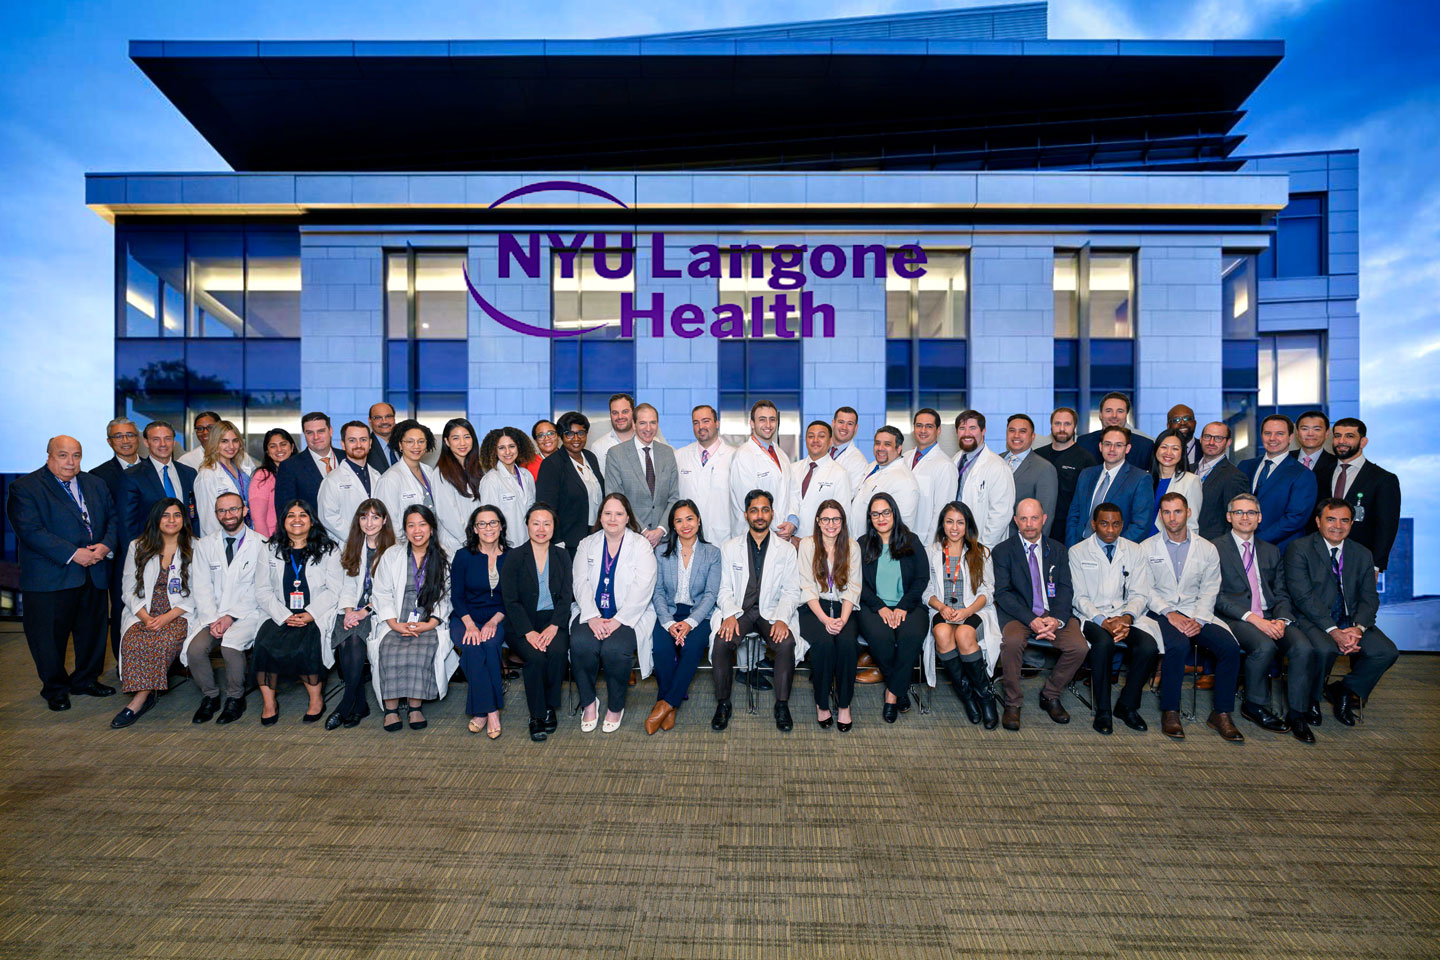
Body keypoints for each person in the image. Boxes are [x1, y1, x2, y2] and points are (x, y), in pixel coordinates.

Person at [7, 436, 118, 710]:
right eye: (63, 455)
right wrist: (73, 553)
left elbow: (113, 519)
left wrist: (105, 545)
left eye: (76, 455)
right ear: (49, 456)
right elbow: (31, 531)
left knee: (92, 632)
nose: (71, 462)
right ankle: (55, 688)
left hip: (94, 570)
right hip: (52, 576)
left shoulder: (95, 483)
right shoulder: (26, 487)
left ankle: (86, 680)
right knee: (49, 638)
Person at [1212, 493, 1320, 742]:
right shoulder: (1215, 548)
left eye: (1250, 512)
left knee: (1303, 648)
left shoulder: (1271, 551)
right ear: (1229, 517)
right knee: (1263, 647)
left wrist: (1281, 619)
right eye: (1238, 512)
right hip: (1236, 617)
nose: (1245, 517)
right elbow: (1215, 596)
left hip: (1272, 615)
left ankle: (1297, 714)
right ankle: (1254, 705)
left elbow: (1281, 592)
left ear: (1259, 518)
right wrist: (1254, 619)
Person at [1284, 498, 1399, 726]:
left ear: (1351, 523)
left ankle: (1345, 690)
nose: (1338, 526)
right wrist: (1334, 630)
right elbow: (1303, 597)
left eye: (1344, 520)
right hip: (1313, 620)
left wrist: (1358, 628)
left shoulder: (1363, 554)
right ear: (1318, 522)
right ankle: (1311, 699)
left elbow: (1369, 598)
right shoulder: (1300, 549)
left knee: (1385, 652)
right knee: (1325, 649)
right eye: (1331, 519)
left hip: (1351, 621)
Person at [1143, 492, 1244, 742]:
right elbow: (1145, 588)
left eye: (1177, 511)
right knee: (1177, 645)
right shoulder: (1147, 547)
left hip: (1198, 612)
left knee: (1230, 648)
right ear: (1160, 515)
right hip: (1162, 612)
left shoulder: (1207, 548)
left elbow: (1211, 588)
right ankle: (1171, 710)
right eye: (1166, 512)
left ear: (1188, 513)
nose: (1172, 518)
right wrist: (1171, 613)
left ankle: (1221, 713)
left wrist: (1198, 619)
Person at [709, 489, 804, 733]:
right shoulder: (730, 547)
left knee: (786, 644)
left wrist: (782, 619)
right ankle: (723, 703)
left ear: (772, 514)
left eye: (764, 510)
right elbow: (724, 588)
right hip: (741, 612)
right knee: (721, 642)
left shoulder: (786, 550)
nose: (759, 515)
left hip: (770, 613)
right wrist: (729, 614)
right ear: (746, 515)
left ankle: (781, 704)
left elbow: (792, 591)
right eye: (754, 510)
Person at [111, 498, 209, 727]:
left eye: (176, 515)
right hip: (143, 612)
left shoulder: (197, 547)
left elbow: (200, 590)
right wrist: (144, 616)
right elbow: (127, 588)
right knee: (133, 641)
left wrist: (166, 617)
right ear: (156, 519)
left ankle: (139, 699)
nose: (171, 520)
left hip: (178, 613)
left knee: (160, 641)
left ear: (184, 520)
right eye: (165, 515)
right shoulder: (139, 546)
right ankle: (147, 691)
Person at [991, 497, 1087, 731]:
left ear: (1043, 519)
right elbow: (1003, 593)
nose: (1029, 524)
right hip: (1019, 614)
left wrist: (1056, 619)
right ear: (1016, 521)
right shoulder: (1003, 551)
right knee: (1012, 642)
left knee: (1079, 647)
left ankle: (1051, 693)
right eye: (1023, 518)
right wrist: (1031, 620)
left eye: (1034, 518)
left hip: (1053, 613)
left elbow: (1065, 589)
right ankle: (1013, 703)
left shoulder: (1058, 550)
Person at [570, 492, 659, 733]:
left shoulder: (640, 545)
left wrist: (618, 620)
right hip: (592, 612)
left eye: (618, 514)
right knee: (580, 644)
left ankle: (615, 706)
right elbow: (579, 582)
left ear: (627, 517)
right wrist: (591, 616)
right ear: (600, 517)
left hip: (628, 614)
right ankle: (589, 702)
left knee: (615, 650)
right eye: (607, 513)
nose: (612, 518)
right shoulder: (587, 544)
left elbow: (645, 585)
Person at [1068, 502, 1160, 735]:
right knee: (1104, 644)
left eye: (1116, 524)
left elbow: (1141, 593)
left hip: (1125, 615)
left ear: (1122, 525)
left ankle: (1127, 706)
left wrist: (1126, 618)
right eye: (1104, 524)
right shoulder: (1077, 552)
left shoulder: (1134, 550)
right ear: (1094, 524)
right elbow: (1079, 597)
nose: (1110, 530)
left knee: (1148, 647)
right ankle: (1104, 711)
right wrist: (1103, 620)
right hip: (1091, 617)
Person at [369, 504, 457, 732]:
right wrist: (394, 624)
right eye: (411, 525)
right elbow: (381, 592)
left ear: (431, 528)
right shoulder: (392, 555)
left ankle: (415, 706)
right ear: (405, 529)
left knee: (422, 647)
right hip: (396, 618)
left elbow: (446, 596)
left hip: (427, 620)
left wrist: (431, 623)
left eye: (422, 524)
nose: (417, 530)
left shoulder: (444, 555)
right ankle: (391, 709)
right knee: (388, 648)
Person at [254, 499, 341, 725]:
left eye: (302, 515)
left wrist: (311, 613)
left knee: (308, 642)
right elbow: (262, 590)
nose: (296, 520)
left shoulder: (328, 549)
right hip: (280, 612)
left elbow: (335, 590)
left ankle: (315, 700)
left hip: (314, 613)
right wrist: (283, 616)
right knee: (264, 643)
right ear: (283, 522)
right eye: (291, 515)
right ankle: (269, 703)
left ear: (312, 521)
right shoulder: (270, 549)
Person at [186, 492, 263, 726]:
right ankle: (210, 697)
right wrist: (212, 619)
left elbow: (259, 588)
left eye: (233, 509)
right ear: (216, 514)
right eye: (222, 511)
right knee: (195, 650)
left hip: (247, 613)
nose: (228, 515)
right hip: (213, 615)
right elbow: (200, 585)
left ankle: (235, 698)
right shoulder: (204, 545)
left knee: (230, 647)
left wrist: (231, 616)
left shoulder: (261, 544)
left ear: (245, 510)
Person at [924, 501, 1002, 730]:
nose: (954, 527)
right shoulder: (932, 552)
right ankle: (967, 696)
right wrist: (941, 607)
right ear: (942, 525)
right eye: (949, 522)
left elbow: (988, 591)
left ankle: (985, 697)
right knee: (941, 632)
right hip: (943, 609)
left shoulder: (981, 552)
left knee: (965, 636)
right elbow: (926, 591)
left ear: (967, 525)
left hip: (973, 609)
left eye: (960, 522)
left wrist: (967, 611)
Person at [500, 503, 574, 742]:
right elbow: (510, 601)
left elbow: (566, 595)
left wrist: (554, 626)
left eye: (547, 523)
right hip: (522, 622)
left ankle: (551, 705)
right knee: (535, 657)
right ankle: (537, 715)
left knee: (557, 651)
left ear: (554, 527)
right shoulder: (514, 556)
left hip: (553, 620)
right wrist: (529, 632)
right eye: (535, 523)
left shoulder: (562, 556)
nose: (541, 529)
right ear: (527, 525)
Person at [647, 500, 722, 734]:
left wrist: (689, 623)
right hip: (668, 612)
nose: (685, 524)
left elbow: (711, 594)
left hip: (697, 614)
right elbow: (657, 591)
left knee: (691, 649)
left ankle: (666, 705)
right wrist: (669, 623)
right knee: (662, 650)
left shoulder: (712, 553)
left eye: (689, 518)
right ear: (673, 525)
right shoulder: (661, 552)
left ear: (698, 521)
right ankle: (671, 703)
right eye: (678, 520)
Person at [855, 491, 930, 724]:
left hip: (908, 606)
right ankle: (901, 688)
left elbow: (921, 579)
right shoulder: (862, 544)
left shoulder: (912, 541)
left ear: (894, 514)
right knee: (882, 639)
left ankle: (891, 694)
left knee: (911, 637)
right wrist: (881, 608)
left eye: (885, 512)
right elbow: (856, 583)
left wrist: (902, 607)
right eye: (875, 514)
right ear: (870, 518)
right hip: (873, 607)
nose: (881, 518)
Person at [327, 498, 394, 730]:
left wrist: (364, 611)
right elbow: (347, 585)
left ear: (384, 520)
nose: (369, 522)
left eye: (375, 517)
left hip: (377, 610)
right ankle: (359, 703)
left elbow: (390, 590)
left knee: (354, 639)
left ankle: (346, 704)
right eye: (364, 517)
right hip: (351, 608)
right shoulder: (353, 544)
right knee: (346, 639)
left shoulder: (393, 549)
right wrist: (348, 611)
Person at [797, 499, 862, 731]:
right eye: (825, 519)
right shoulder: (807, 545)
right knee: (824, 644)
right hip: (814, 607)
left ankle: (844, 704)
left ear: (842, 522)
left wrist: (843, 620)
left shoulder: (852, 547)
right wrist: (825, 620)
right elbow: (806, 587)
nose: (831, 524)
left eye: (836, 519)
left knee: (846, 644)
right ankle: (822, 703)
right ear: (818, 521)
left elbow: (853, 588)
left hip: (844, 607)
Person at [450, 505, 510, 739]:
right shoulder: (463, 556)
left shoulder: (512, 556)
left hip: (499, 616)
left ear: (501, 525)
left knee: (491, 644)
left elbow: (513, 597)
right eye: (482, 524)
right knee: (473, 646)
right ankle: (492, 710)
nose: (488, 528)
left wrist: (494, 621)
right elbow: (456, 596)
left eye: (493, 522)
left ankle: (481, 711)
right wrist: (470, 624)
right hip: (465, 616)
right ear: (474, 529)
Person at [1319, 417, 1401, 574]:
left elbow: (1386, 527)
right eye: (1337, 436)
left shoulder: (1383, 479)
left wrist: (1376, 566)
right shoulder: (1319, 474)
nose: (1341, 441)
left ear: (1363, 442)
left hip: (1360, 564)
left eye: (1349, 436)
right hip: (1320, 562)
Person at [92, 417, 142, 655]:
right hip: (119, 555)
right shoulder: (97, 476)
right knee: (123, 609)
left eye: (130, 435)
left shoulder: (152, 468)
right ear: (109, 442)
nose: (125, 440)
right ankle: (125, 664)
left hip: (157, 550)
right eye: (119, 436)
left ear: (138, 438)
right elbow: (100, 518)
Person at [605, 402, 679, 548]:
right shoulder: (616, 454)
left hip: (663, 541)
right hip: (630, 538)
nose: (648, 428)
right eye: (643, 423)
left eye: (653, 423)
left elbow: (674, 497)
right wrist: (643, 531)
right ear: (633, 424)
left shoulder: (668, 453)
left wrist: (661, 530)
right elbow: (616, 499)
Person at [1239, 414, 1317, 552]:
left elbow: (1295, 518)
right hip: (1241, 547)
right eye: (1267, 433)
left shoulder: (1303, 474)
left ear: (1291, 437)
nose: (1272, 438)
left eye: (1279, 434)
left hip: (1281, 550)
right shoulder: (1245, 466)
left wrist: (1256, 541)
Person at [1065, 426, 1153, 546]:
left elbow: (1141, 525)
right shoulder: (1086, 474)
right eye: (1107, 444)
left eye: (1118, 445)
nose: (1112, 449)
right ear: (1100, 447)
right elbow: (1074, 515)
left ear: (1127, 448)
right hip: (1081, 547)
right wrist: (1072, 547)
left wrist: (1112, 548)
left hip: (1116, 551)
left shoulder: (1140, 479)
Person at [535, 411, 605, 557]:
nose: (576, 438)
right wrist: (557, 541)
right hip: (568, 541)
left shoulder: (590, 457)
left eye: (581, 432)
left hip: (596, 535)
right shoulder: (552, 464)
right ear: (562, 436)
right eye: (569, 434)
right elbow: (547, 507)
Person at [729, 400, 794, 539]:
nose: (768, 425)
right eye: (762, 420)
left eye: (772, 420)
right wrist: (777, 528)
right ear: (752, 423)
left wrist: (791, 522)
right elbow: (750, 504)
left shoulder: (781, 454)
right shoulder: (743, 456)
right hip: (754, 538)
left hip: (781, 536)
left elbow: (791, 492)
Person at [675, 404, 737, 545]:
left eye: (706, 421)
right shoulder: (679, 456)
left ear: (717, 423)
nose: (700, 426)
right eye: (696, 423)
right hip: (687, 539)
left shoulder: (734, 457)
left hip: (722, 538)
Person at [952, 410, 1015, 550]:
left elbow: (1001, 514)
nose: (967, 433)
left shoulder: (998, 467)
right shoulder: (955, 461)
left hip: (983, 547)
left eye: (972, 428)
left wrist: (983, 547)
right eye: (962, 428)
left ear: (983, 430)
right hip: (956, 540)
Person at [123, 420, 198, 537]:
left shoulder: (189, 473)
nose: (163, 444)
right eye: (156, 440)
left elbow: (194, 515)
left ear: (173, 442)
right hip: (150, 548)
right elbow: (127, 523)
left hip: (186, 546)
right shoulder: (132, 476)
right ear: (146, 442)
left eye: (168, 439)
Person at [373, 419, 442, 538]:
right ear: (400, 445)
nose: (416, 446)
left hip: (431, 543)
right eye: (410, 441)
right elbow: (389, 523)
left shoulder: (429, 471)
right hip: (404, 546)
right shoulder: (390, 479)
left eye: (421, 441)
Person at [1035, 406, 1096, 536]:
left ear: (1074, 427)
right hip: (1038, 525)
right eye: (1057, 423)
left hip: (1070, 528)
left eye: (1067, 424)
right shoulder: (1037, 456)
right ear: (1051, 426)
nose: (1062, 429)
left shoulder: (1086, 459)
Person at [786, 420, 853, 539]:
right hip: (792, 542)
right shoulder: (792, 469)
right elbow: (787, 503)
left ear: (830, 441)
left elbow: (842, 515)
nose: (815, 440)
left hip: (822, 544)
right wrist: (791, 538)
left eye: (821, 436)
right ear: (805, 440)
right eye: (811, 436)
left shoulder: (839, 473)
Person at [850, 426, 921, 534]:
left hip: (877, 546)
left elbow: (902, 526)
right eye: (877, 443)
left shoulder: (905, 481)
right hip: (859, 541)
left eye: (887, 444)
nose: (880, 448)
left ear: (899, 448)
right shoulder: (873, 466)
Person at [317, 420, 379, 543]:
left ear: (370, 443)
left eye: (363, 439)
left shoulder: (378, 476)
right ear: (343, 444)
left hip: (376, 545)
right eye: (352, 440)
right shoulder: (332, 480)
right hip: (345, 548)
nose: (358, 444)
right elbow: (328, 517)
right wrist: (360, 537)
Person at [274, 411, 344, 516]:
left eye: (321, 431)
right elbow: (285, 511)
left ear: (330, 431)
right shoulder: (290, 467)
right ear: (304, 435)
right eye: (310, 433)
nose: (316, 437)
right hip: (312, 531)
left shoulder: (347, 459)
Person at [478, 426, 538, 548]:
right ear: (494, 451)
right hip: (504, 546)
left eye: (511, 446)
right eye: (501, 448)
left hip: (529, 544)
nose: (507, 452)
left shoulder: (526, 475)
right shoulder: (491, 480)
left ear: (519, 447)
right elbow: (489, 520)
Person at [433, 418, 484, 555]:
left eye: (467, 437)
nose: (462, 443)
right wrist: (468, 540)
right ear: (447, 442)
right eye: (456, 438)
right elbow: (447, 514)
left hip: (478, 541)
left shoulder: (478, 469)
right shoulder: (441, 472)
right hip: (455, 544)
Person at [193, 419, 252, 538]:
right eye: (224, 441)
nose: (231, 446)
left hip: (247, 534)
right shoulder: (207, 474)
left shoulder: (243, 471)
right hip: (223, 542)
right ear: (215, 443)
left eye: (235, 441)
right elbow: (208, 521)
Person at [1003, 414, 1058, 539]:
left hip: (1020, 543)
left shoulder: (1044, 468)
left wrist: (1033, 548)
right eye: (1012, 431)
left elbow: (1045, 515)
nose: (1016, 435)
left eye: (1022, 431)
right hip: (989, 540)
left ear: (1032, 436)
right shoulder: (995, 460)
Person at [1195, 421, 1248, 540]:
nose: (1211, 442)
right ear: (1201, 439)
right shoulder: (1187, 469)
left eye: (1218, 438)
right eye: (1207, 437)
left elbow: (1235, 520)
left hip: (1213, 545)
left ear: (1228, 442)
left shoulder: (1234, 476)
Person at [908, 408, 954, 540]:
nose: (923, 431)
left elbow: (942, 512)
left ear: (938, 430)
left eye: (929, 426)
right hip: (900, 538)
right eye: (919, 426)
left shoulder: (945, 466)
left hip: (925, 540)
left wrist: (931, 545)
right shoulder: (905, 459)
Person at [1146, 428, 1201, 539]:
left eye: (1175, 448)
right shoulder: (1143, 478)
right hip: (1140, 545)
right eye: (1164, 447)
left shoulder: (1191, 481)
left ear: (1182, 453)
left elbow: (1192, 525)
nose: (1168, 453)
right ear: (1156, 449)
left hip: (1171, 545)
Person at [1077, 392, 1153, 468]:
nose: (1114, 416)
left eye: (1120, 411)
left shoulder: (1145, 446)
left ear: (1126, 415)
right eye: (1108, 411)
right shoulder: (1083, 443)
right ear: (1100, 415)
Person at [249, 428, 296, 539]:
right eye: (273, 446)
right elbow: (258, 519)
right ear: (267, 452)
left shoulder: (299, 473)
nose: (279, 449)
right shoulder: (262, 476)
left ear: (292, 447)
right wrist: (266, 547)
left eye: (283, 444)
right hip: (273, 540)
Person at [589, 392, 637, 474]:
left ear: (633, 413)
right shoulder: (598, 447)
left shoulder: (648, 442)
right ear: (610, 415)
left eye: (625, 412)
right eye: (615, 413)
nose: (620, 417)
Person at [828, 406, 869, 490]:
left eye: (849, 424)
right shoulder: (823, 451)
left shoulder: (859, 462)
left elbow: (850, 495)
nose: (844, 427)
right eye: (841, 422)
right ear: (833, 423)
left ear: (855, 428)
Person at [1290, 409, 1337, 476]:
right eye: (1304, 429)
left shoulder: (1336, 463)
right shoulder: (1284, 459)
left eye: (1317, 429)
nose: (1310, 434)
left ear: (1327, 433)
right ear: (1297, 433)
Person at [366, 402, 399, 473]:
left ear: (394, 419)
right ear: (370, 421)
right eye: (378, 417)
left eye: (388, 416)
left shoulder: (403, 445)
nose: (384, 421)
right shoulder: (364, 449)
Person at [1165, 404, 1201, 469]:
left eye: (1187, 418)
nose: (1182, 423)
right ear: (1168, 426)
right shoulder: (1159, 451)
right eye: (1176, 420)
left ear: (1195, 423)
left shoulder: (1205, 449)